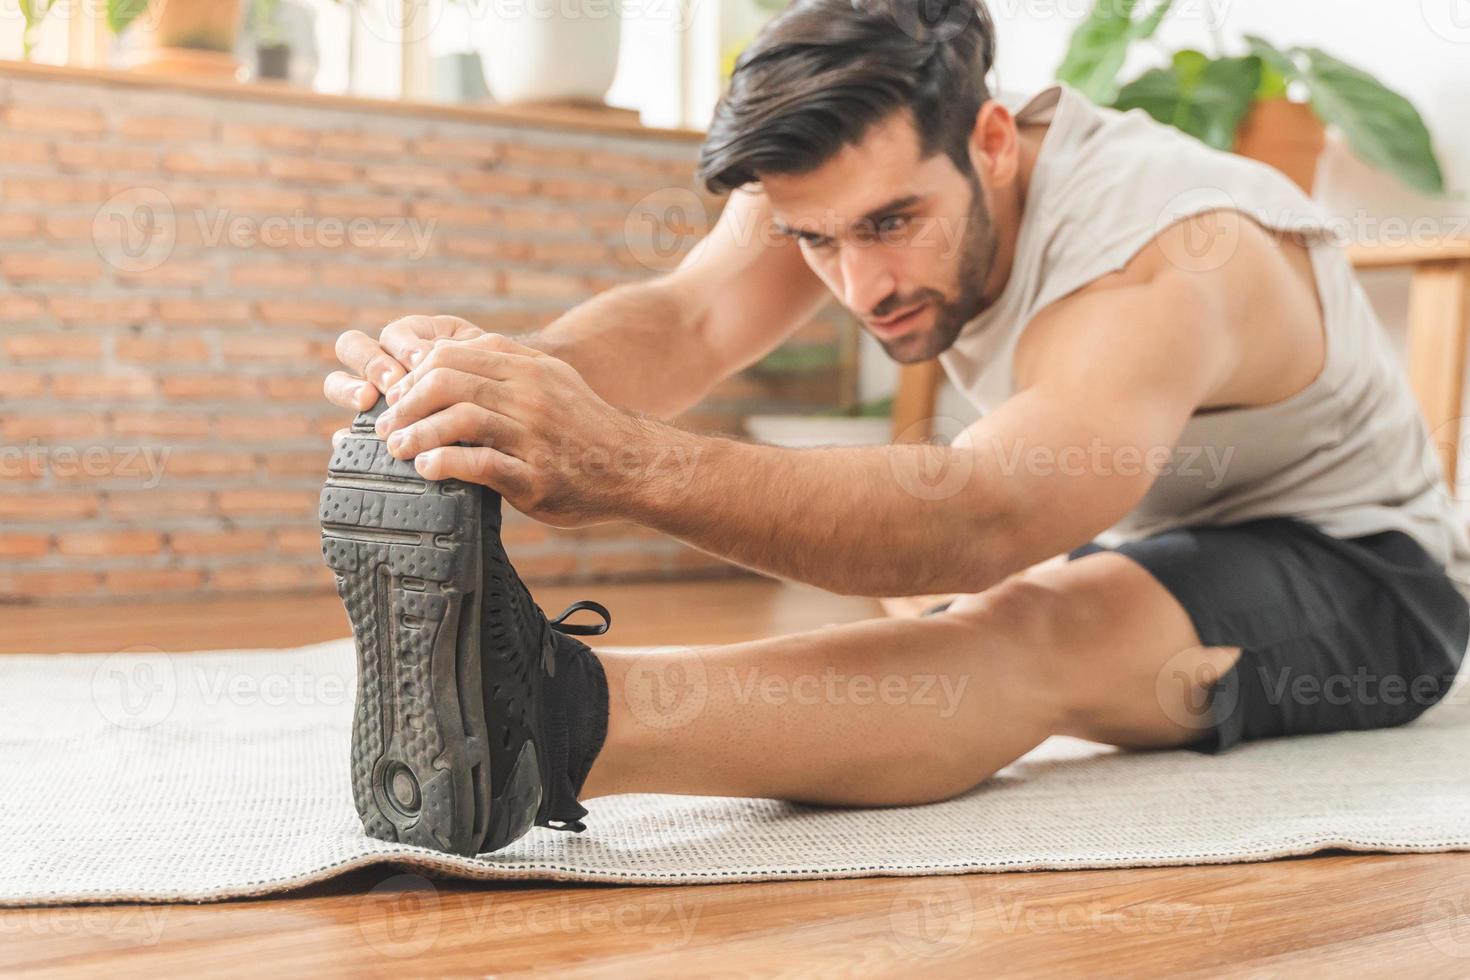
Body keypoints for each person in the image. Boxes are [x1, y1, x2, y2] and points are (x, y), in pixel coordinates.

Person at [321, 0, 1470, 855]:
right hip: (1137, 528)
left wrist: (614, 459)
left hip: (1370, 575)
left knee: (1027, 623)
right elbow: (686, 316)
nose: (862, 285)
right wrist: (487, 384)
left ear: (994, 140)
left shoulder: (1164, 255)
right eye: (821, 241)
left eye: (893, 223)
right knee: (997, 599)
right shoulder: (838, 182)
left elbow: (983, 515)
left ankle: (547, 718)